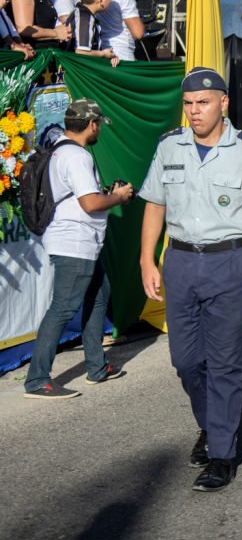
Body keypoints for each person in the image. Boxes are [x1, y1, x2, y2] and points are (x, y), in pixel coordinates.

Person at [138, 67, 242, 492]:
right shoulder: (169, 147)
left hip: (230, 262)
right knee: (185, 361)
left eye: (202, 103)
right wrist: (147, 259)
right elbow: (155, 206)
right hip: (181, 261)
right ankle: (210, 424)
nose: (194, 112)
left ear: (223, 104)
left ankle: (221, 454)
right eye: (188, 104)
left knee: (225, 364)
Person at [23, 99, 133, 400]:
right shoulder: (77, 156)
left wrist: (105, 193)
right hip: (75, 243)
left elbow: (82, 197)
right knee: (62, 307)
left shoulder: (61, 149)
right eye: (98, 124)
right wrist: (119, 196)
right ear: (92, 124)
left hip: (81, 242)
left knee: (99, 296)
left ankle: (97, 367)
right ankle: (37, 380)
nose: (99, 130)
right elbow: (90, 203)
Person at [65, 0, 119, 66]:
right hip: (77, 73)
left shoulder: (82, 13)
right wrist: (103, 54)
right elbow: (81, 52)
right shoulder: (85, 18)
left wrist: (109, 58)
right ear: (101, 0)